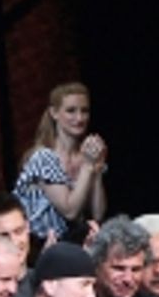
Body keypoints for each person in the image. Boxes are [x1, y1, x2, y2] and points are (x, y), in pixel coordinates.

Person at [13, 82, 107, 242]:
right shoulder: (43, 157)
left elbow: (97, 214)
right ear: (54, 113)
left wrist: (95, 168)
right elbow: (70, 211)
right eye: (71, 111)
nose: (79, 118)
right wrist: (87, 167)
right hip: (39, 246)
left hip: (75, 242)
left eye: (84, 111)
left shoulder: (86, 155)